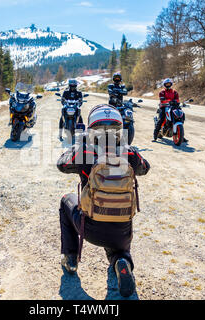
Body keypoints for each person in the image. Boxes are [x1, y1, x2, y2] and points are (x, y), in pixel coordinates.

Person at [57, 104, 150, 297]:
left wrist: (78, 144)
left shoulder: (85, 152)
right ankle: (120, 261)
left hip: (89, 228)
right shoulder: (129, 153)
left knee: (66, 200)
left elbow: (61, 164)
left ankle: (71, 258)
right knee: (118, 240)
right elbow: (145, 167)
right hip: (121, 231)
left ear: (92, 128)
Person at [153, 78, 188, 143]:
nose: (168, 85)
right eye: (167, 84)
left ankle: (181, 135)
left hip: (173, 107)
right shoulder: (162, 92)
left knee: (180, 114)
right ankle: (155, 136)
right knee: (161, 119)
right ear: (164, 85)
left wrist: (176, 102)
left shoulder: (174, 92)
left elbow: (177, 99)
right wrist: (169, 101)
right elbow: (162, 100)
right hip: (164, 106)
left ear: (171, 84)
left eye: (169, 84)